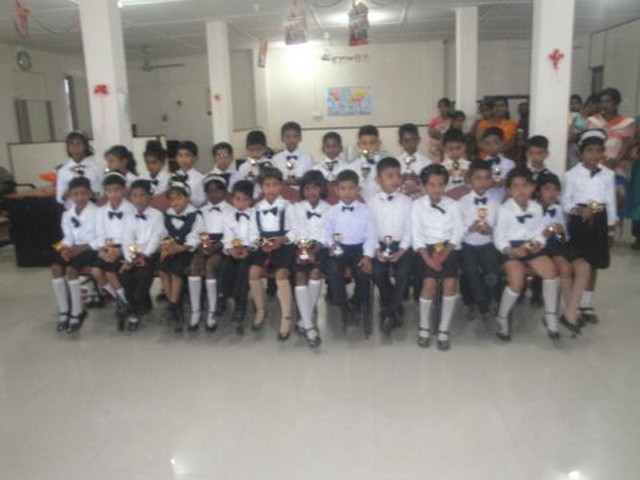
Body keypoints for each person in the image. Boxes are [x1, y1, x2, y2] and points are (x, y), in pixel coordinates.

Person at [494, 167, 560, 341]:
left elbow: (540, 233)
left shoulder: (537, 208)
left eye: (525, 185)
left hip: (530, 246)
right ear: (509, 190)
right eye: (515, 186)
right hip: (510, 247)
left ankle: (551, 316)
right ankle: (502, 317)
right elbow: (499, 237)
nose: (521, 190)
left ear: (532, 187)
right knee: (517, 280)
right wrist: (510, 250)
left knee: (551, 271)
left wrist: (536, 244)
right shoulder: (504, 209)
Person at [561, 129, 616, 325]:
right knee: (579, 262)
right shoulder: (571, 175)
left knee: (594, 264)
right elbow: (565, 202)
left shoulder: (608, 174)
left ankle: (587, 304)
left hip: (599, 219)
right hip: (579, 221)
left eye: (598, 151)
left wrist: (611, 226)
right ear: (581, 152)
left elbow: (609, 201)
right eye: (589, 151)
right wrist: (578, 210)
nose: (594, 155)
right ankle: (573, 303)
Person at [412, 164, 463, 350]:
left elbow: (457, 233)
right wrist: (429, 259)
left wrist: (444, 255)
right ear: (424, 186)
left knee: (450, 284)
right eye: (432, 185)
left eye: (441, 184)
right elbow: (417, 235)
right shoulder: (417, 206)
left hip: (448, 248)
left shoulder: (453, 205)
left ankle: (443, 329)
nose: (436, 189)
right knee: (429, 284)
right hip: (425, 250)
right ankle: (424, 326)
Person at [536, 173, 591, 334]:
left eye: (555, 190)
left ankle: (571, 310)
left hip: (561, 245)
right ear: (538, 191)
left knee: (584, 267)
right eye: (547, 189)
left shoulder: (558, 209)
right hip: (545, 247)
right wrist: (545, 233)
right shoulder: (532, 208)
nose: (552, 193)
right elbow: (530, 235)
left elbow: (565, 237)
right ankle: (570, 314)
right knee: (565, 268)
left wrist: (561, 232)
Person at [324, 169, 376, 335]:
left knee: (363, 274)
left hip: (358, 249)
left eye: (351, 188)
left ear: (358, 189)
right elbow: (327, 232)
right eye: (343, 188)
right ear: (337, 190)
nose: (347, 192)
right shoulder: (331, 211)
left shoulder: (366, 211)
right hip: (339, 248)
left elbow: (371, 235)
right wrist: (331, 246)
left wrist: (367, 256)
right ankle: (343, 305)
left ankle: (356, 302)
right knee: (333, 270)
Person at [248, 168, 296, 340]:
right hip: (264, 247)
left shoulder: (288, 207)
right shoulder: (256, 208)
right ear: (261, 187)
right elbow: (253, 234)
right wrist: (262, 244)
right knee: (253, 271)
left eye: (275, 184)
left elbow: (295, 231)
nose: (271, 189)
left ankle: (286, 316)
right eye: (267, 185)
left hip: (283, 246)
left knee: (281, 274)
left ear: (281, 186)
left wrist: (282, 239)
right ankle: (260, 309)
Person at [368, 157, 413, 336]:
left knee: (403, 273)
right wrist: (376, 250)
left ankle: (389, 311)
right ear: (378, 180)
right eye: (389, 176)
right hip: (380, 245)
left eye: (397, 175)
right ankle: (392, 304)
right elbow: (369, 231)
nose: (395, 179)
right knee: (377, 272)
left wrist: (402, 250)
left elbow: (410, 230)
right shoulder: (371, 202)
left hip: (402, 246)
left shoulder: (407, 202)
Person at [50, 177, 99, 333]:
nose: (79, 197)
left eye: (83, 193)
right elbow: (68, 236)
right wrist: (64, 248)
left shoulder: (97, 212)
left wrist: (81, 248)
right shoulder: (67, 214)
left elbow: (100, 238)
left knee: (71, 270)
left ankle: (77, 311)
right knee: (56, 267)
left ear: (89, 193)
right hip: (73, 248)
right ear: (70, 195)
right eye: (75, 194)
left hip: (91, 249)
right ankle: (64, 310)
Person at [288, 170, 331, 347]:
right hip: (300, 246)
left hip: (320, 247)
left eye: (315, 188)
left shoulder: (329, 209)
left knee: (315, 273)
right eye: (307, 188)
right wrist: (302, 248)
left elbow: (327, 235)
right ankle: (308, 324)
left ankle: (305, 322)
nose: (311, 192)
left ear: (322, 189)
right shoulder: (295, 208)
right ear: (302, 190)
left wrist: (314, 250)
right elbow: (293, 232)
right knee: (299, 276)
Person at [186, 174, 232, 332]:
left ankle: (212, 311)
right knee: (194, 266)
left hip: (221, 246)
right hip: (204, 244)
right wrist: (199, 245)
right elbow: (196, 231)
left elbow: (231, 234)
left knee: (210, 266)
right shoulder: (201, 211)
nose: (213, 194)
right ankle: (196, 310)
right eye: (210, 191)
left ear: (224, 192)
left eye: (217, 190)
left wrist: (217, 246)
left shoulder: (230, 210)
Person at [159, 177, 204, 332]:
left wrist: (182, 247)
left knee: (176, 272)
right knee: (163, 270)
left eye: (179, 198)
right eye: (171, 199)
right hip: (170, 249)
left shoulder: (195, 215)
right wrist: (166, 245)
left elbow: (196, 236)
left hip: (186, 251)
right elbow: (163, 233)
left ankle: (174, 305)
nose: (175, 202)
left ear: (187, 198)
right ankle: (173, 304)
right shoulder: (167, 215)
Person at [91, 171, 136, 327]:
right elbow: (99, 233)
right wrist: (102, 251)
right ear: (105, 192)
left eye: (117, 190)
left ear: (123, 190)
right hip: (106, 248)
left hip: (124, 248)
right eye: (109, 191)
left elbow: (130, 234)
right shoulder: (101, 211)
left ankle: (124, 303)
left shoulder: (130, 209)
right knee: (96, 271)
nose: (113, 194)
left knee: (110, 273)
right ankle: (121, 300)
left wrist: (121, 251)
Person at [458, 161, 501, 319]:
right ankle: (477, 303)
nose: (483, 182)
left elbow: (501, 230)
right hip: (467, 245)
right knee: (470, 272)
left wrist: (492, 231)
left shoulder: (496, 204)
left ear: (491, 180)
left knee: (492, 272)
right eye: (478, 178)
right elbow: (456, 231)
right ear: (469, 180)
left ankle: (487, 300)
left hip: (487, 244)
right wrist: (469, 229)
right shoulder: (462, 203)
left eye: (487, 178)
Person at [120, 179, 165, 331]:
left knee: (142, 273)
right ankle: (137, 305)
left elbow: (156, 239)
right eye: (134, 196)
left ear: (149, 197)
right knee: (125, 274)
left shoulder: (157, 215)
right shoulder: (128, 215)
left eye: (142, 195)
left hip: (150, 254)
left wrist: (143, 256)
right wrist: (129, 258)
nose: (138, 199)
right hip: (133, 254)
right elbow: (126, 239)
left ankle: (135, 308)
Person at [220, 180, 256, 334]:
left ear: (251, 200)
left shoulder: (254, 214)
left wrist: (248, 248)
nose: (241, 203)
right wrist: (231, 249)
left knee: (243, 269)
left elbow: (256, 235)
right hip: (234, 249)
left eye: (245, 199)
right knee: (226, 266)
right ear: (232, 199)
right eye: (237, 199)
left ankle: (240, 306)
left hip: (250, 251)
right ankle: (223, 297)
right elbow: (227, 236)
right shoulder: (228, 215)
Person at [587, 88, 636, 165]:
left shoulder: (626, 123)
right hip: (596, 162)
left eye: (608, 101)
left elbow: (627, 145)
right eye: (601, 102)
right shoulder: (593, 121)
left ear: (616, 104)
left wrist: (616, 160)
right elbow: (589, 143)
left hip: (618, 163)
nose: (604, 105)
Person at [56, 130, 103, 207]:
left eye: (79, 143)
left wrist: (93, 194)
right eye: (71, 144)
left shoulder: (98, 167)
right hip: (73, 210)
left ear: (86, 146)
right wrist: (67, 194)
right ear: (68, 148)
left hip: (95, 209)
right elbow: (59, 198)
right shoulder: (63, 171)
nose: (76, 148)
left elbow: (105, 192)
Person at [479, 127, 515, 202]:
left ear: (502, 143)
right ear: (483, 145)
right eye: (488, 143)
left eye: (496, 142)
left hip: (505, 200)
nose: (492, 146)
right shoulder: (480, 164)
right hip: (486, 201)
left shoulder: (510, 164)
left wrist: (504, 182)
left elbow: (513, 184)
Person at [353, 124, 387, 200]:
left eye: (372, 143)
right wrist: (362, 177)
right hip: (360, 204)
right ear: (359, 145)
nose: (368, 147)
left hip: (382, 204)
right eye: (364, 143)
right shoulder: (353, 166)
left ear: (378, 144)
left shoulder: (386, 165)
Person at [396, 123, 429, 198]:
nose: (411, 144)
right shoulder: (396, 162)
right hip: (401, 199)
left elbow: (430, 185)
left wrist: (419, 180)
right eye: (406, 141)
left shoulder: (427, 162)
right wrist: (400, 179)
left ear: (418, 140)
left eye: (413, 139)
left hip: (420, 199)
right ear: (400, 143)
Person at [174, 141, 205, 207]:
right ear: (176, 158)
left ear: (195, 158)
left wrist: (187, 200)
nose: (183, 159)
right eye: (180, 156)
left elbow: (202, 200)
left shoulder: (200, 179)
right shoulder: (172, 177)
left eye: (187, 155)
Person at [426, 97, 453, 162]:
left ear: (449, 108)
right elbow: (431, 133)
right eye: (440, 106)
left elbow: (451, 135)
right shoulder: (434, 120)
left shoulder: (452, 121)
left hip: (447, 148)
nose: (442, 109)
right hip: (435, 148)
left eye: (445, 106)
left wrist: (439, 133)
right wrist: (443, 135)